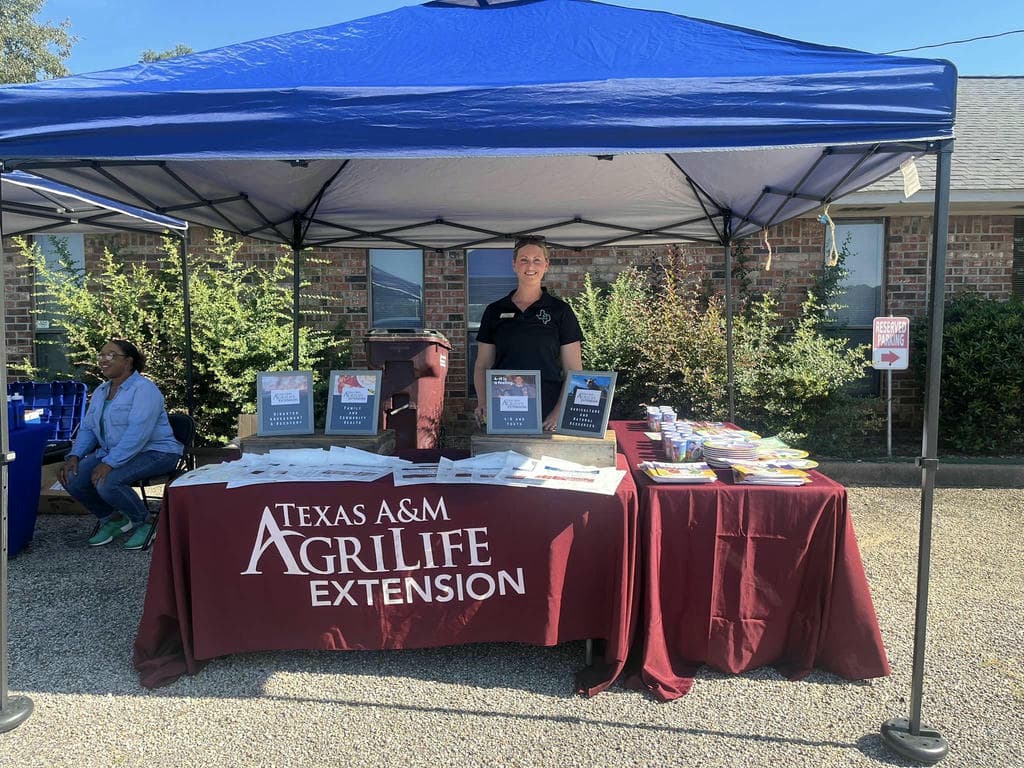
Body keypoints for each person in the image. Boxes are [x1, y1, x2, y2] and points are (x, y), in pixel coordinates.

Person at [59, 339, 183, 550]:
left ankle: (145, 523)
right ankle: (113, 519)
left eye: (111, 355)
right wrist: (75, 455)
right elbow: (88, 428)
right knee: (72, 477)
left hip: (157, 452)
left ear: (129, 362)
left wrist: (109, 463)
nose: (103, 360)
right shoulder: (101, 391)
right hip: (115, 452)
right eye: (101, 355)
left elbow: (138, 434)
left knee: (107, 482)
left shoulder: (144, 390)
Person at [474, 238, 583, 430]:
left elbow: (574, 371)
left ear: (546, 266)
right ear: (514, 265)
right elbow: (482, 365)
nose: (530, 265)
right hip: (504, 408)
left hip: (547, 412)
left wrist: (558, 412)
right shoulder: (494, 311)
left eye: (537, 260)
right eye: (524, 259)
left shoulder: (561, 311)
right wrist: (483, 402)